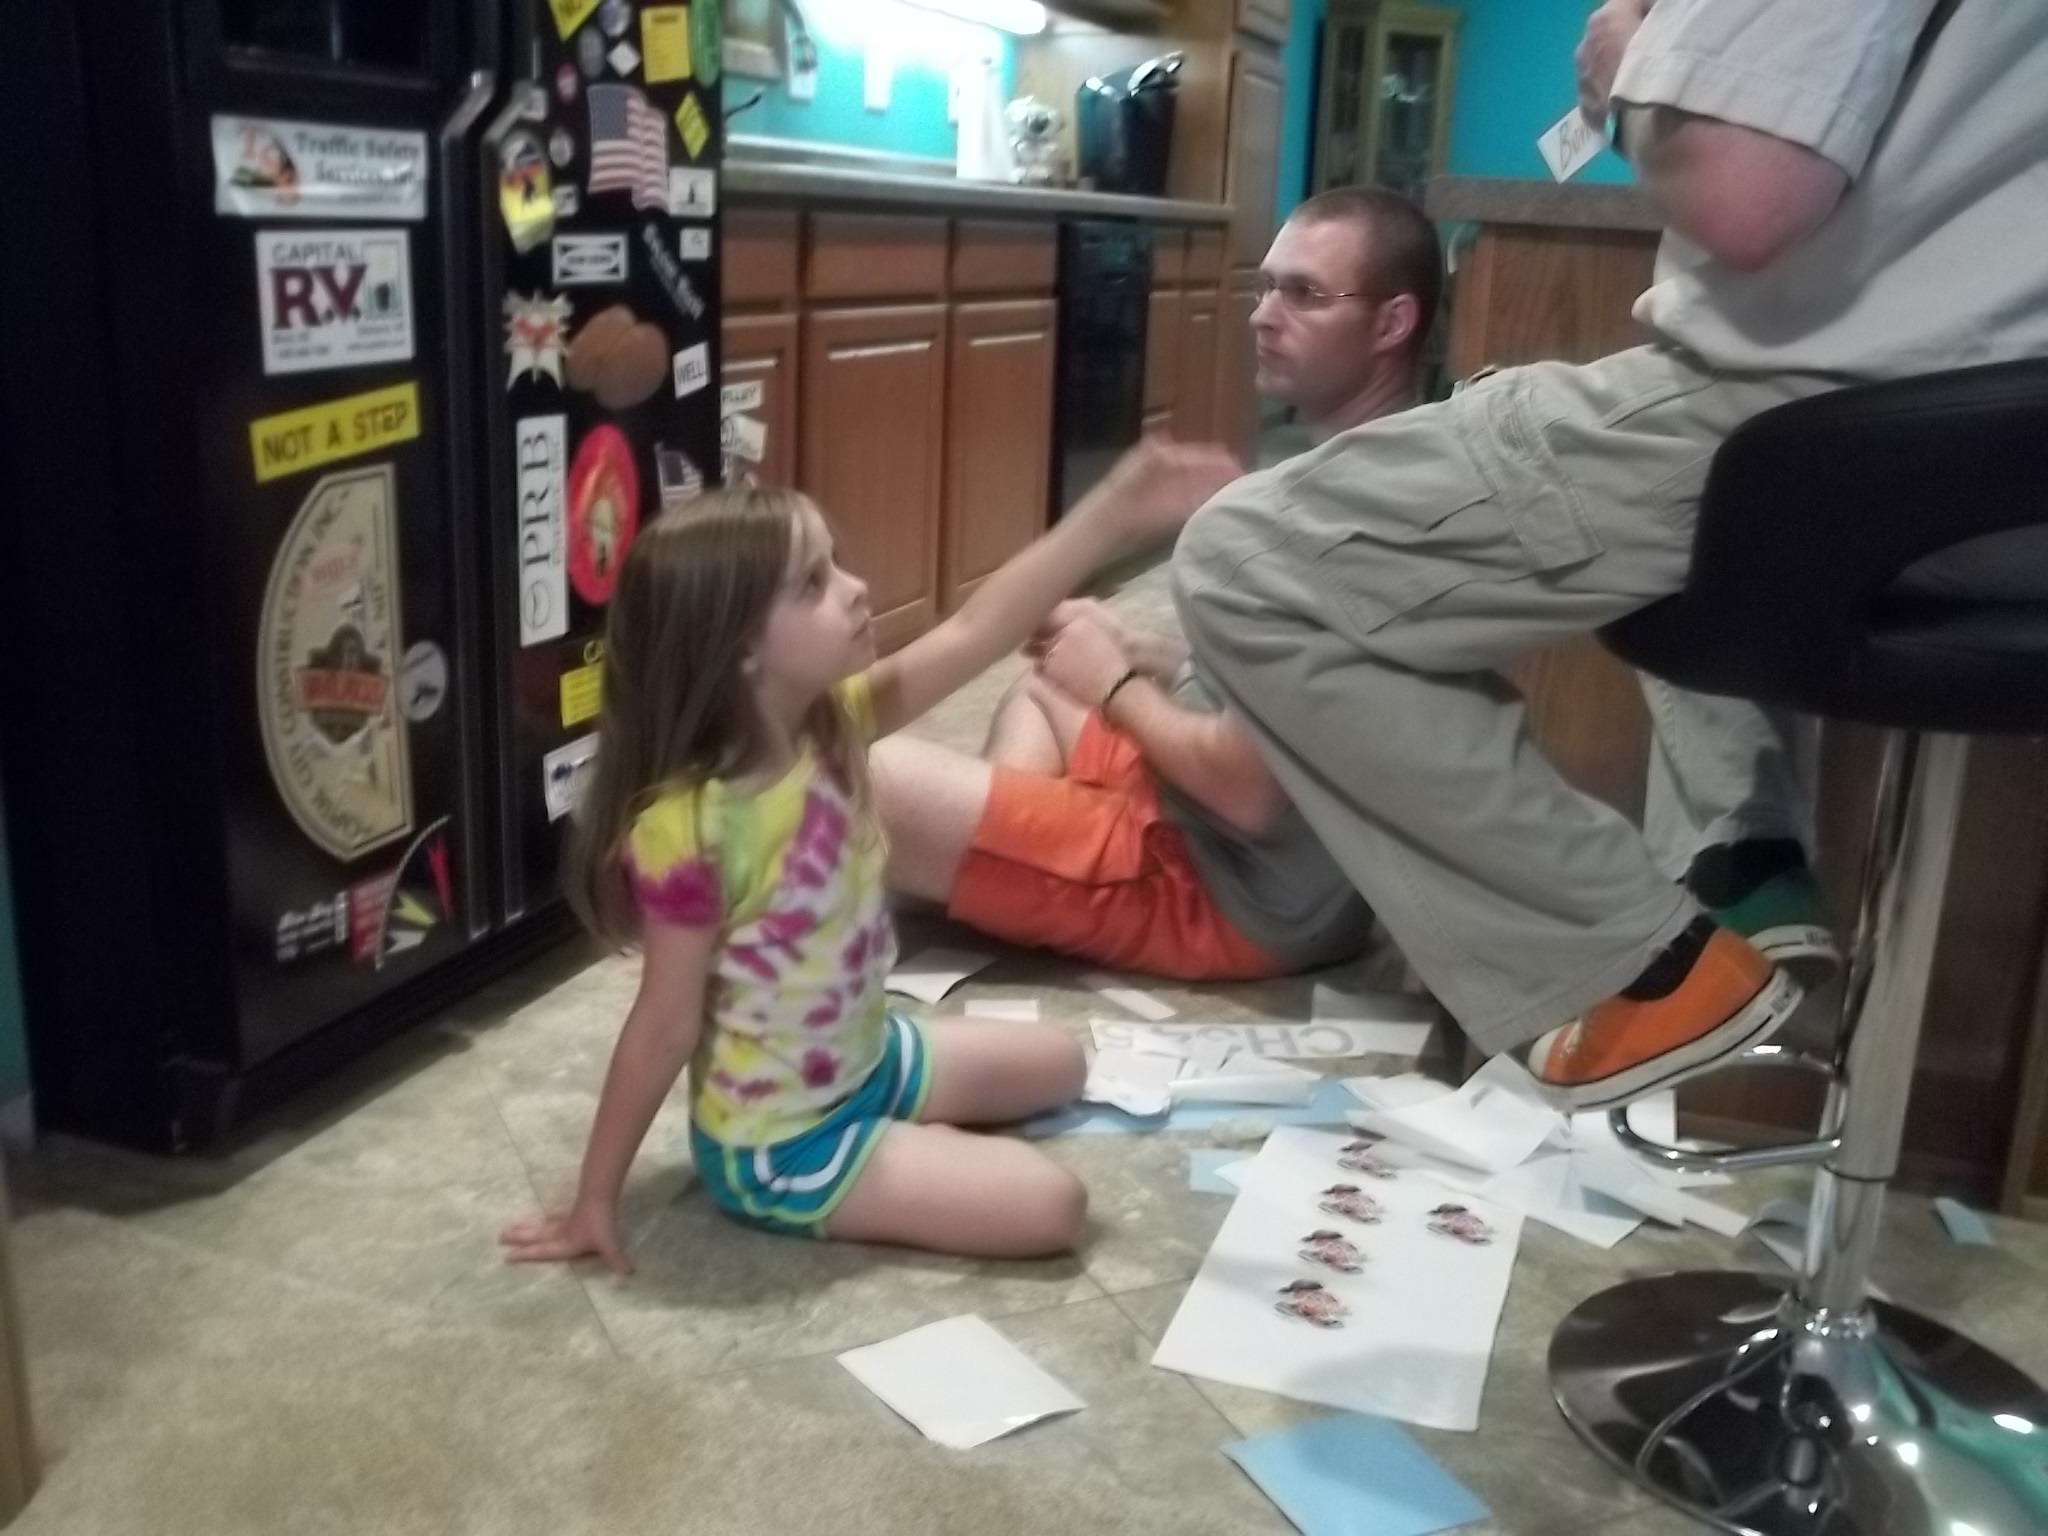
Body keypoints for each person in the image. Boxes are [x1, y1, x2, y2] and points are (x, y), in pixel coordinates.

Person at [1172, 0, 2048, 1110]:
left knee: (1249, 559)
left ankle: (1640, 969)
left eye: (1301, 291)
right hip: (2004, 474)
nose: (1266, 315)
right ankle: (1743, 856)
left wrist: (1633, 70)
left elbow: (1745, 191)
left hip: (1844, 433)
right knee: (1628, 518)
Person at [500, 441, 1235, 1268]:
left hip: (870, 1057)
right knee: (1053, 1206)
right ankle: (874, 1165)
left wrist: (1116, 504)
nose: (854, 589)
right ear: (740, 649)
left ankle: (904, 1141)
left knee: (1064, 1063)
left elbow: (979, 629)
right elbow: (662, 1027)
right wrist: (594, 1201)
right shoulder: (689, 832)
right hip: (786, 1143)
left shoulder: (833, 725)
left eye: (836, 566)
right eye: (813, 583)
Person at [871, 187, 1443, 981]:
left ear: (1391, 323)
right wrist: (1156, 657)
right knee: (1042, 688)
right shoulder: (1389, 468)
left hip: (1223, 890)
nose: (1262, 315)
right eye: (1265, 286)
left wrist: (1115, 685)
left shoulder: (1344, 526)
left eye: (1305, 294)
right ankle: (1006, 866)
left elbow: (1247, 795)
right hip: (1278, 863)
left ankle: (1010, 872)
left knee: (857, 783)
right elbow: (1305, 701)